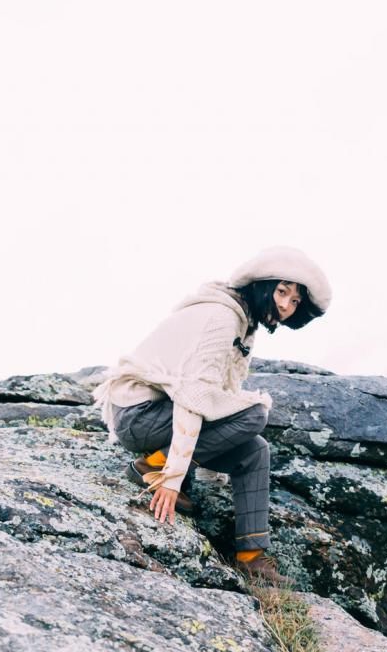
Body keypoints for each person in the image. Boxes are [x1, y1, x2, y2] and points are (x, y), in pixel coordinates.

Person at [91, 245, 332, 586]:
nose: (286, 305)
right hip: (139, 415)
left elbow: (219, 396)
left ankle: (251, 557)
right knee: (254, 414)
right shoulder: (222, 318)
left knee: (255, 450)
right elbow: (195, 397)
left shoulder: (243, 322)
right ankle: (154, 464)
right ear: (262, 286)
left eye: (295, 301)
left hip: (159, 414)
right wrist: (173, 477)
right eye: (281, 292)